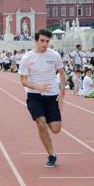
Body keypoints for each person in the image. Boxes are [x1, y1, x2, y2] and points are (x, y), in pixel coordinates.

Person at [19, 29, 67, 167]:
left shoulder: (55, 55)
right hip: (35, 95)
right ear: (36, 41)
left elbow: (62, 74)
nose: (45, 44)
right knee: (41, 123)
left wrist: (62, 93)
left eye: (47, 41)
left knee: (56, 129)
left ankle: (45, 123)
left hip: (52, 95)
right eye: (42, 41)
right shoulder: (27, 57)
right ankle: (51, 155)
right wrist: (37, 87)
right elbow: (23, 80)